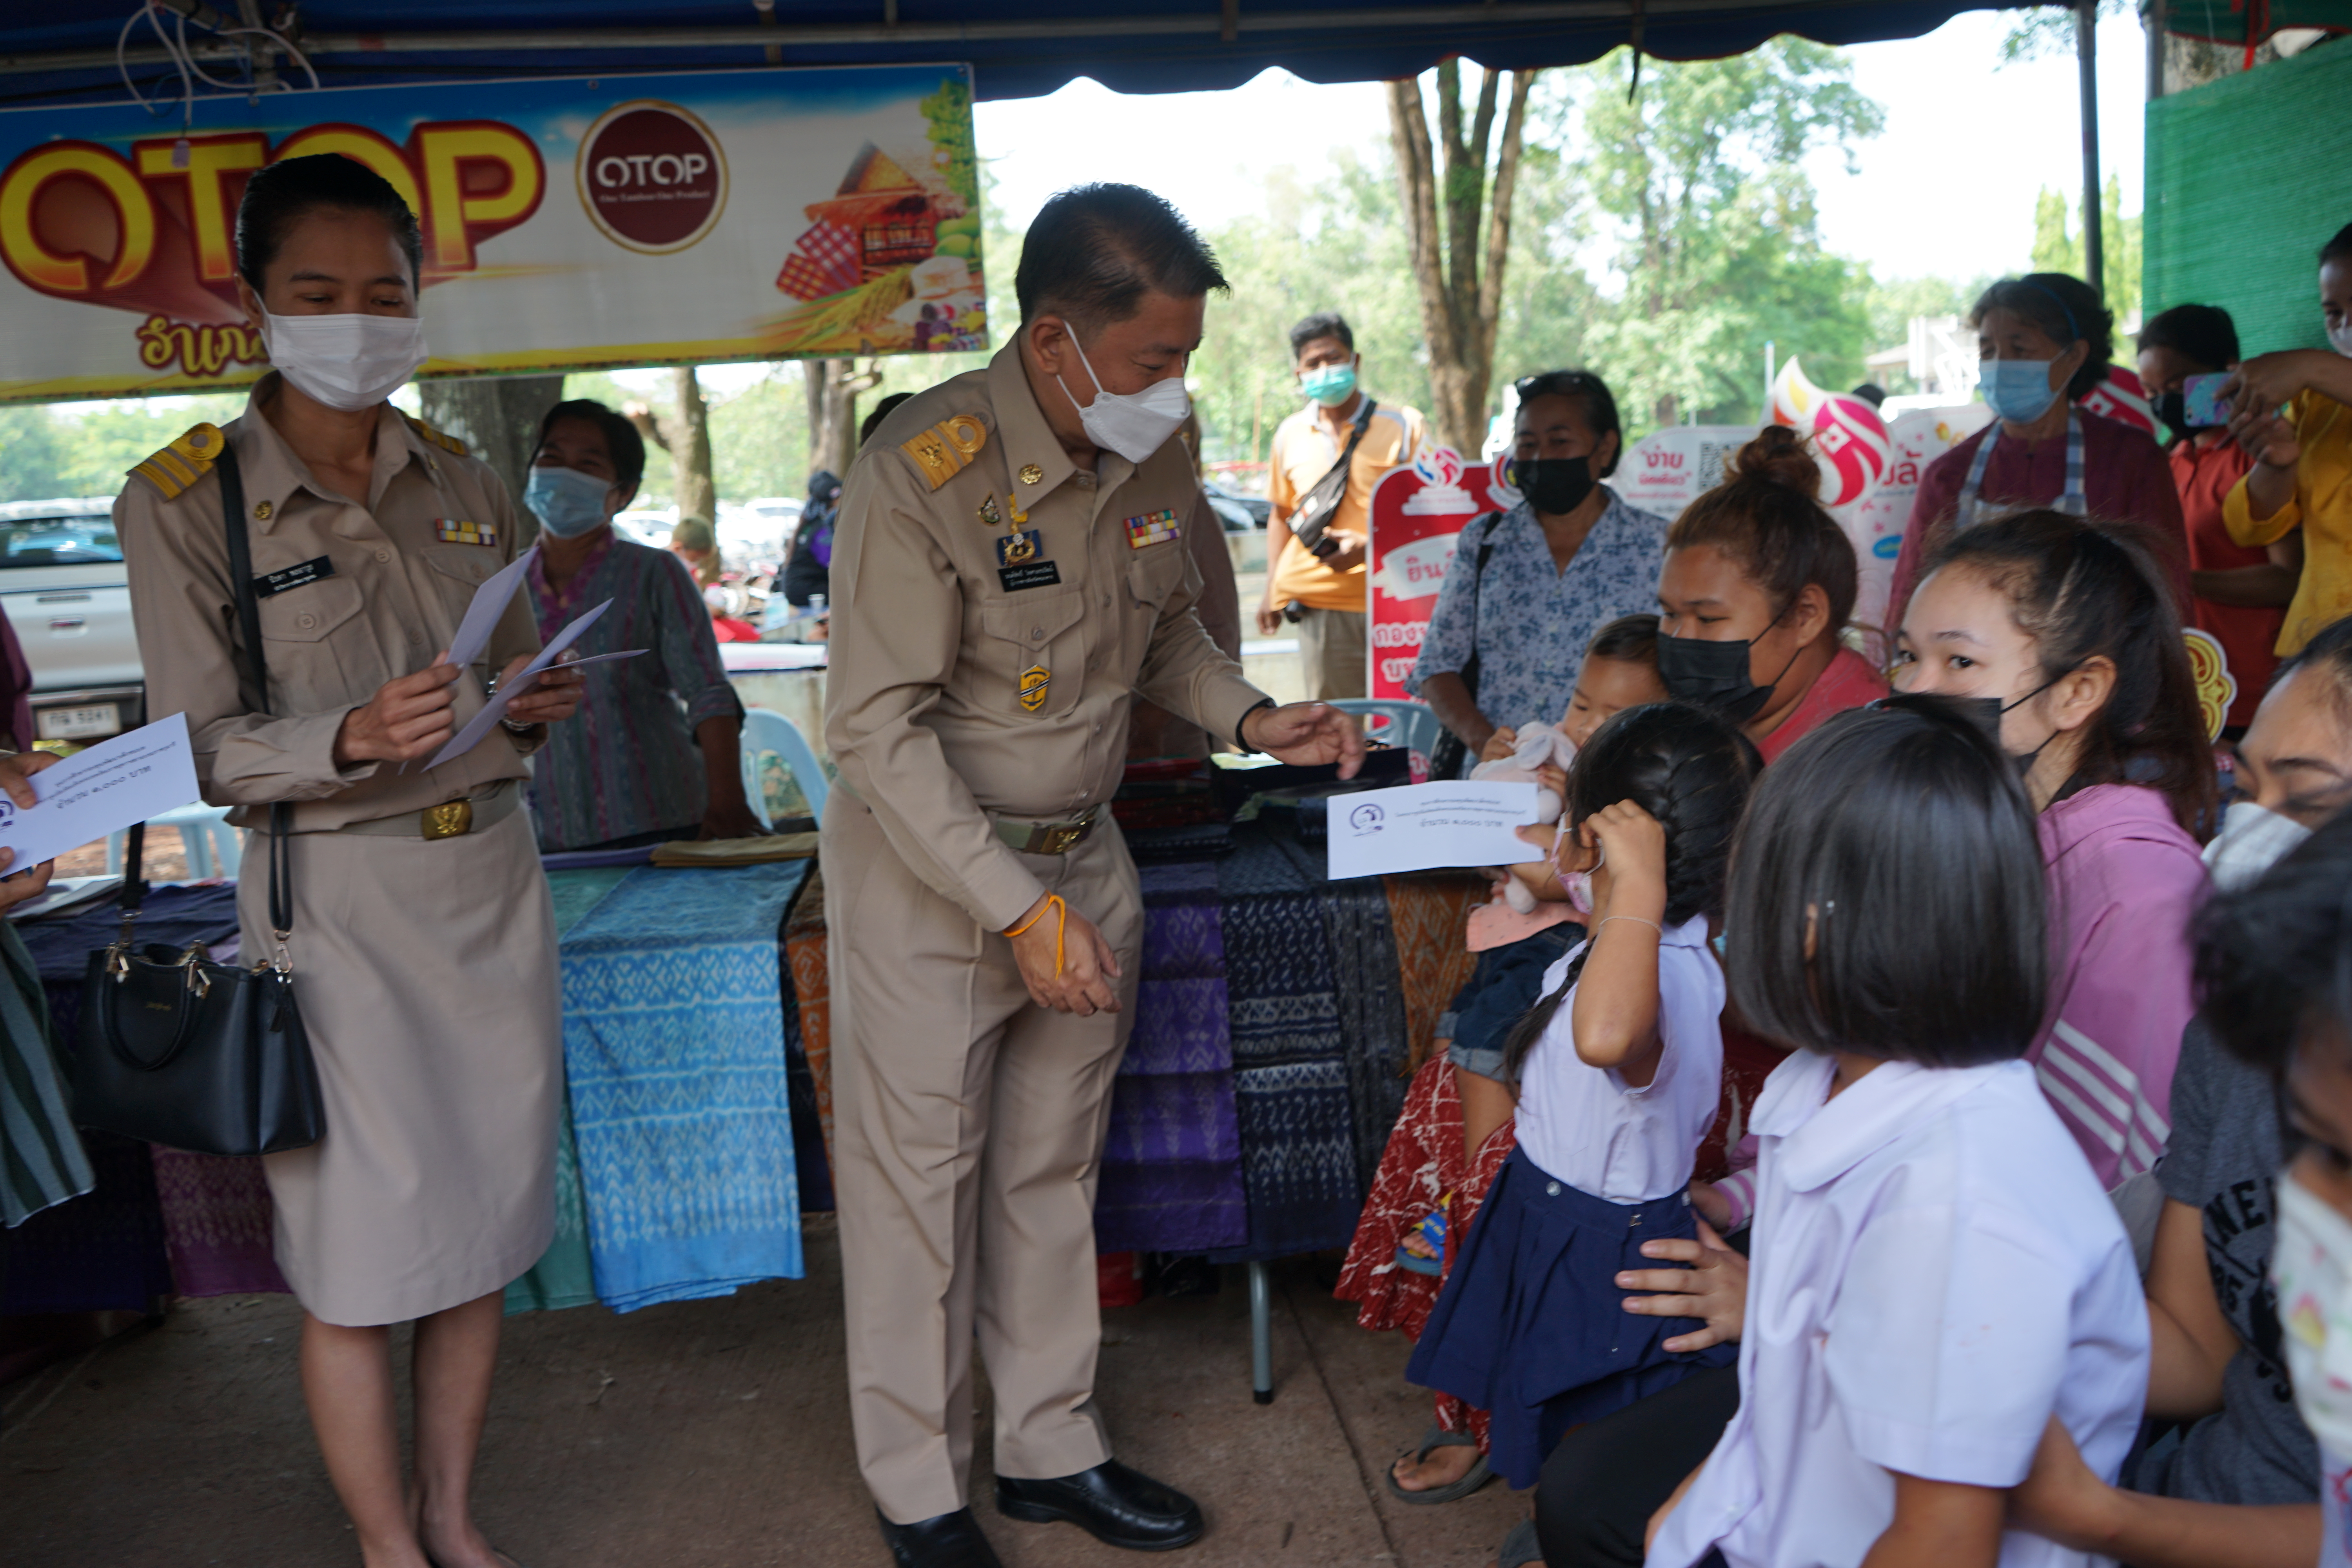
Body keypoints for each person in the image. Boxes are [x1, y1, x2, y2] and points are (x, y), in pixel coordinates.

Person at [820, 182, 1364, 1568]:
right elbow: (874, 731)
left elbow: (1166, 634)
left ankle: (1048, 1448)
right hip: (939, 885)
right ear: (1054, 340)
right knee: (919, 1195)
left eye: (1184, 357)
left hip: (1085, 858)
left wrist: (1255, 718)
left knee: (1050, 1173)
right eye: (1152, 358)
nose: (1174, 385)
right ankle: (919, 1487)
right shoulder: (923, 470)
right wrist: (1019, 911)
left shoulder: (1152, 446)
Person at [114, 152, 585, 1568]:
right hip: (337, 906)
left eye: (384, 291)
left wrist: (532, 700)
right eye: (316, 292)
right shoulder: (187, 498)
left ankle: (450, 1514)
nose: (355, 320)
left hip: (490, 882)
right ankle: (388, 1544)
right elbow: (195, 751)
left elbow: (507, 671)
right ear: (252, 299)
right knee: (362, 1255)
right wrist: (349, 734)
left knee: (482, 1224)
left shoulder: (465, 479)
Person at [1646, 697, 2149, 1568]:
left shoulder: (1957, 1205)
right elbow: (1786, 1408)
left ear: (1811, 925)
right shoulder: (1833, 1089)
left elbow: (1940, 1541)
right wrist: (1688, 1519)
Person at [2005, 620, 2352, 1568]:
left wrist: (2104, 1519)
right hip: (2182, 1498)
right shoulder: (2235, 1039)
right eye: (2249, 788)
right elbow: (2196, 1350)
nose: (2253, 834)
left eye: (2309, 801)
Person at [1343, 615, 1667, 1515]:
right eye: (1580, 703)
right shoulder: (1553, 766)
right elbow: (1513, 856)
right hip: (1500, 1001)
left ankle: (1530, 1436)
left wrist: (1542, 844)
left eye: (1611, 716)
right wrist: (1500, 787)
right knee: (1476, 1207)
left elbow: (1585, 890)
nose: (1583, 725)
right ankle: (1474, 1414)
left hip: (1570, 1021)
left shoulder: (1647, 814)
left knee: (1517, 1214)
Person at [1409, 704, 1755, 1505]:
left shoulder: (1660, 969)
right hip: (1557, 1210)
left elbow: (1603, 1037)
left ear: (1600, 849)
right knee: (1556, 1409)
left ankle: (1585, 1532)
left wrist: (1632, 881)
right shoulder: (1639, 935)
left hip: (1604, 1245)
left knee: (1596, 1427)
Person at [1895, 508, 2215, 1194]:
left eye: (1959, 661)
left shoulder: (2143, 891)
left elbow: (2119, 1179)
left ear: (2078, 691)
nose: (1915, 688)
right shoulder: (1980, 826)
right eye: (1907, 656)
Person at [1886, 272, 2189, 635]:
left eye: (2020, 349)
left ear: (2073, 356)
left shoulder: (2131, 460)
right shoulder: (1950, 473)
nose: (2000, 364)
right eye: (1988, 351)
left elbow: (2167, 593)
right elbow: (1908, 597)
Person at [521, 398, 759, 851]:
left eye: (588, 465)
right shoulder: (503, 585)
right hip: (545, 830)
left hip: (661, 817)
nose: (564, 475)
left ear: (623, 493)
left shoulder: (655, 573)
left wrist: (729, 799)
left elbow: (707, 692)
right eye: (552, 458)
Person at [1414, 370, 1667, 770]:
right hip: (1500, 780)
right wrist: (1487, 744)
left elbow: (1682, 674)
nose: (1540, 457)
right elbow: (1437, 667)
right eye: (1528, 444)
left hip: (1613, 780)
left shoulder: (1660, 546)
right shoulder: (1484, 542)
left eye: (1560, 441)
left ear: (1604, 448)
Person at [1653, 427, 1889, 763]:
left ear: (1806, 616)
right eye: (1670, 614)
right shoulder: (1731, 727)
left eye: (1708, 618)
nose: (1679, 637)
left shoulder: (1862, 756)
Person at [1259, 311, 1427, 699]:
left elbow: (1432, 511)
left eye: (1333, 358)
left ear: (1356, 361)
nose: (1324, 370)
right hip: (1320, 605)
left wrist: (1372, 546)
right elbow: (1281, 515)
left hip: (1396, 601)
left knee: (1403, 723)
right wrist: (1271, 589)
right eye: (1313, 363)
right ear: (1299, 373)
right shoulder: (1289, 434)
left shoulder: (1405, 426)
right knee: (1335, 724)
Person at [2139, 303, 2287, 730]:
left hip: (2255, 688)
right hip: (2184, 689)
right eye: (2150, 392)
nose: (2163, 402)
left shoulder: (2262, 454)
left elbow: (2289, 578)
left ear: (2228, 371)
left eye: (2176, 386)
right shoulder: (2168, 461)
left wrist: (2183, 581)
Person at [2222, 220, 2352, 659]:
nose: (2347, 324)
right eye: (2334, 312)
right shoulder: (2315, 403)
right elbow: (2248, 528)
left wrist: (2310, 365)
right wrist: (2276, 464)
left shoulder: (2315, 378)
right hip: (2320, 650)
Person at [670, 513, 722, 591]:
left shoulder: (690, 573)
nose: (696, 563)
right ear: (677, 548)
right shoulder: (662, 573)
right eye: (695, 558)